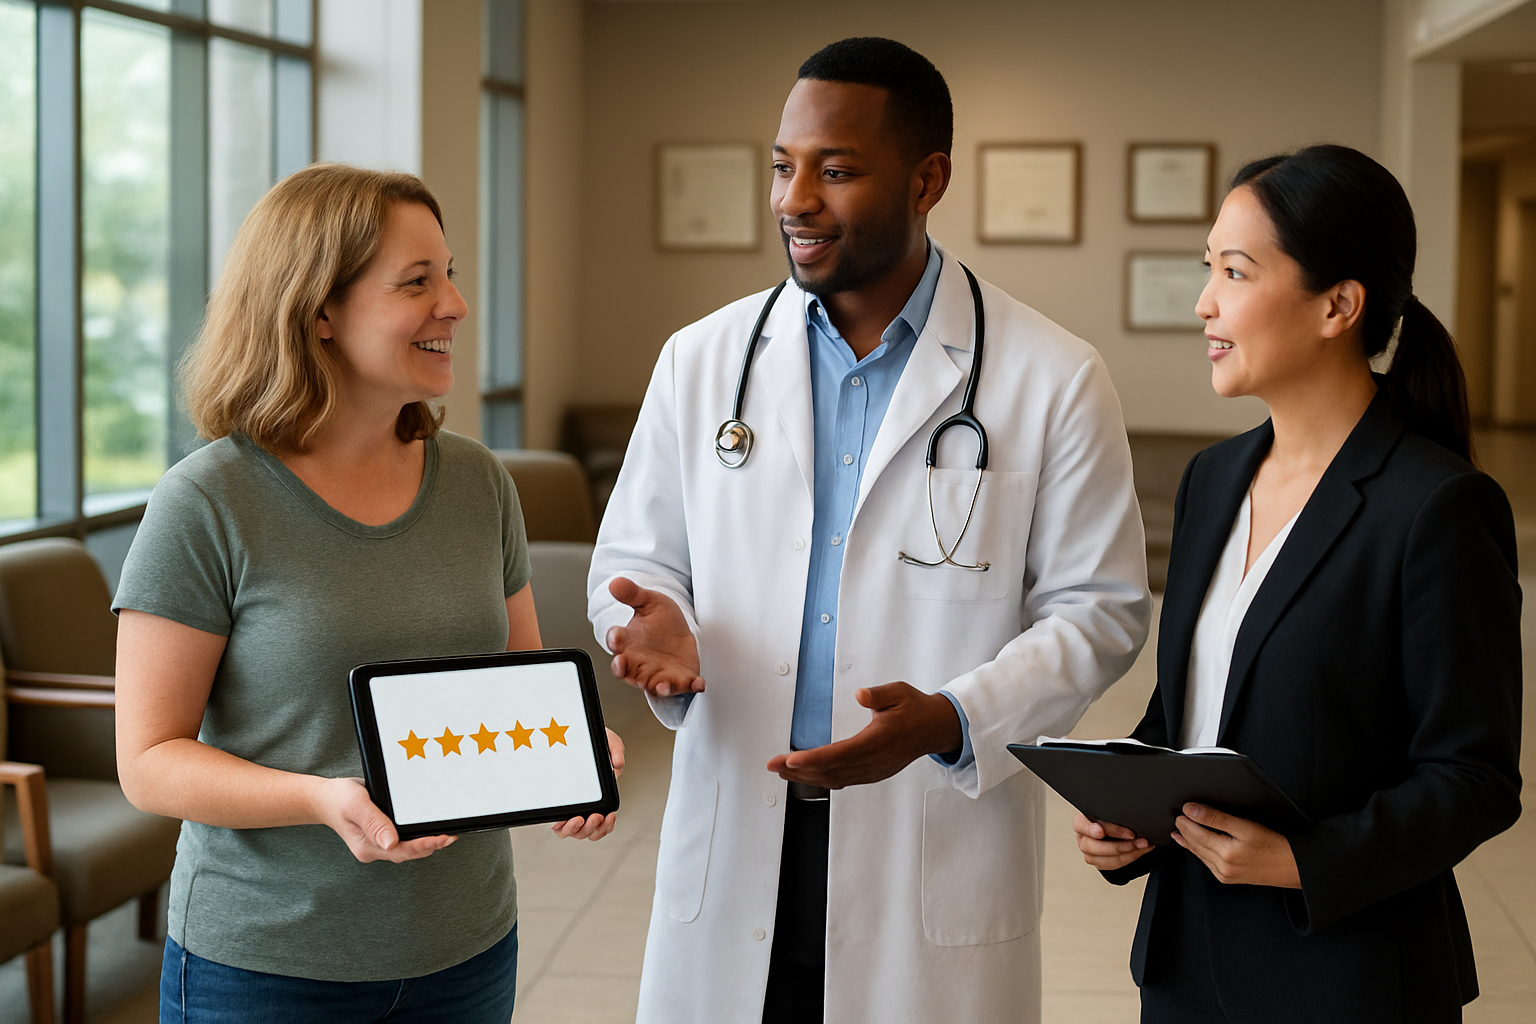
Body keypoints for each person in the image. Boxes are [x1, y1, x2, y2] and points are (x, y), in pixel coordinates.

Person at [588, 37, 1151, 1024]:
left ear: (927, 180)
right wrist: (655, 622)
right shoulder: (702, 360)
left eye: (836, 171)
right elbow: (635, 557)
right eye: (782, 166)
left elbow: (1099, 611)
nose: (794, 199)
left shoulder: (1052, 377)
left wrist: (954, 717)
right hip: (739, 827)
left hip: (928, 838)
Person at [112, 163, 621, 1024]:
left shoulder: (479, 482)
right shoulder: (207, 501)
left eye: (448, 274)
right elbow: (149, 760)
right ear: (320, 310)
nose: (455, 304)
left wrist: (570, 752)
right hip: (268, 966)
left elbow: (518, 677)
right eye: (416, 282)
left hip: (466, 949)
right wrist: (321, 799)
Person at [1073, 145, 1523, 1023]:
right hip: (1186, 964)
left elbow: (1473, 777)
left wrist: (1304, 861)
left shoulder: (1437, 506)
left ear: (1338, 306)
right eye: (1208, 268)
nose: (1205, 302)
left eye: (1236, 272)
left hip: (1346, 976)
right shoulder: (1213, 480)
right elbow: (1194, 710)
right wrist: (1129, 811)